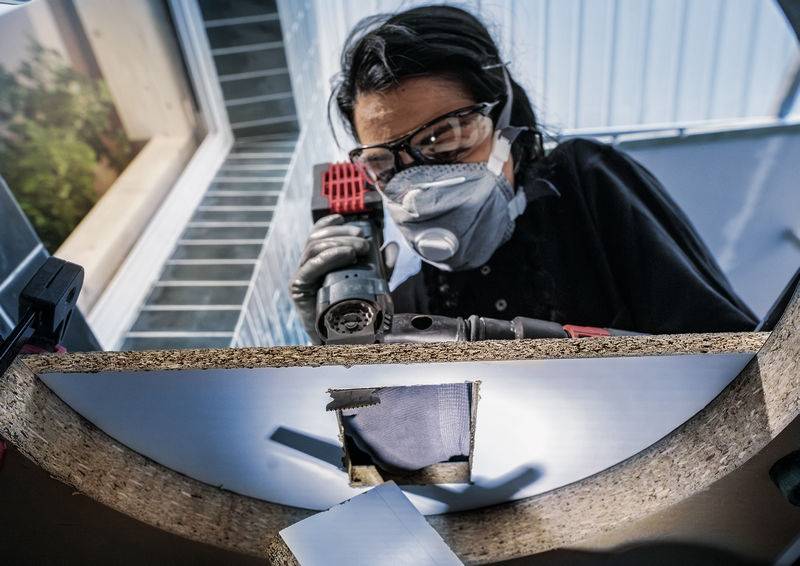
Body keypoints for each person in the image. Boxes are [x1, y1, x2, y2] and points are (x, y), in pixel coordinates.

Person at [290, 5, 757, 344]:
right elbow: (395, 448)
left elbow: (728, 349)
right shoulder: (408, 306)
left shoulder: (582, 185)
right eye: (384, 162)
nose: (418, 183)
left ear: (506, 122)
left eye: (445, 137)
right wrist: (340, 341)